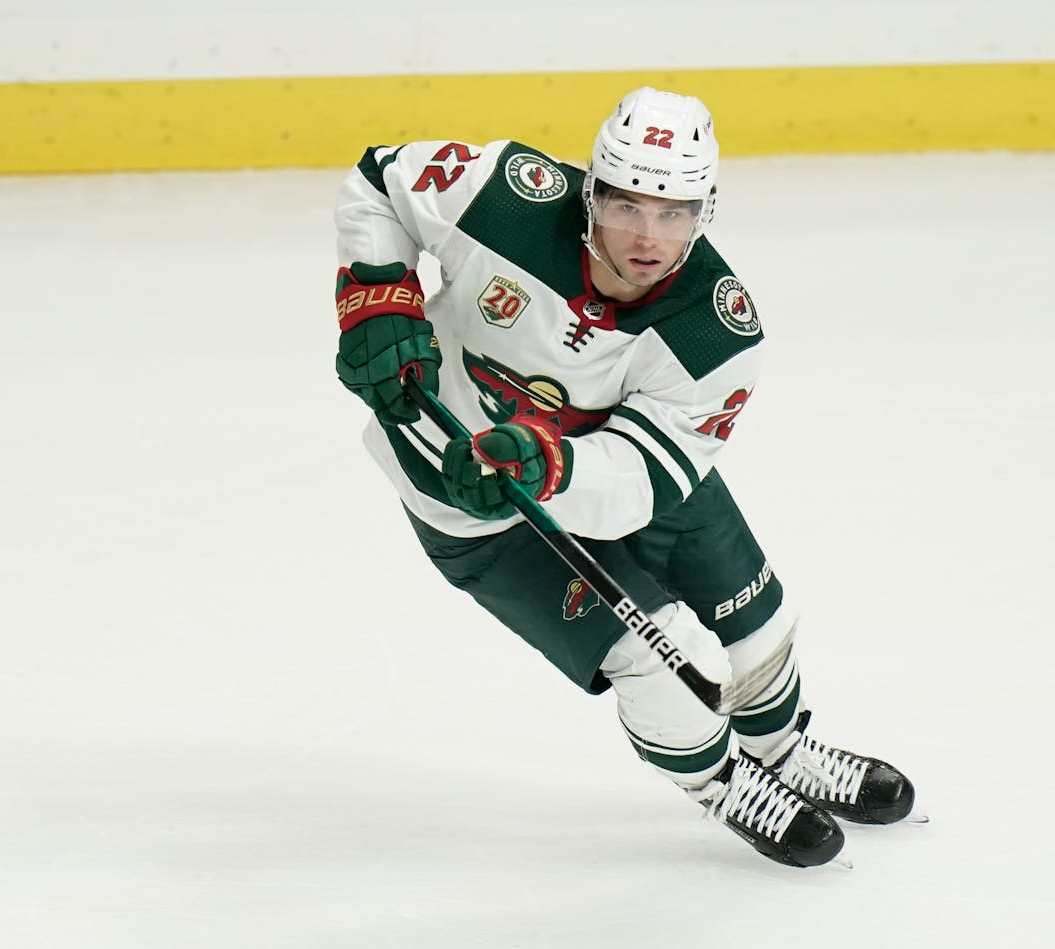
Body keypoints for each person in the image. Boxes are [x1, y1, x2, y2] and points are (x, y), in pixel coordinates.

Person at [332, 86, 923, 867]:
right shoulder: (505, 196)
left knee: (759, 616)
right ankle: (719, 782)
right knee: (655, 655)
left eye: (674, 212)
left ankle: (783, 751)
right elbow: (381, 181)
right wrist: (377, 295)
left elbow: (637, 479)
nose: (648, 237)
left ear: (704, 210)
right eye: (627, 206)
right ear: (589, 194)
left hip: (607, 460)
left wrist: (550, 463)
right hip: (471, 499)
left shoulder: (716, 331)